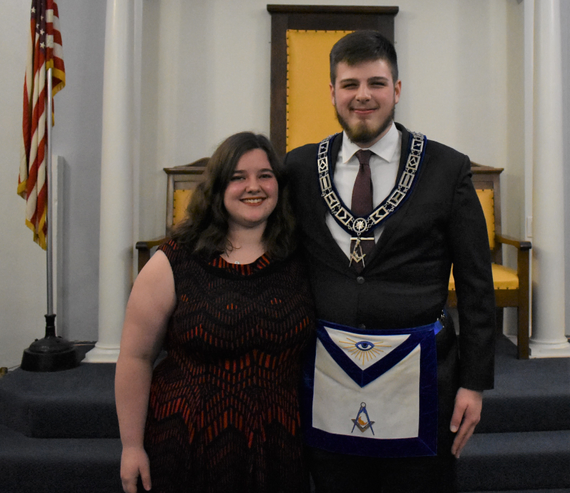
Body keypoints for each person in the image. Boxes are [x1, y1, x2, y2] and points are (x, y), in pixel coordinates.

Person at [285, 30, 496, 493]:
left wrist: (474, 383)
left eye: (376, 83)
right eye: (350, 84)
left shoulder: (446, 167)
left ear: (397, 90)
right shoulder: (298, 169)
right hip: (328, 377)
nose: (363, 96)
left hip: (424, 380)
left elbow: (478, 284)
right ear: (333, 92)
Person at [115, 132, 315, 493]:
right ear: (218, 187)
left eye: (264, 175)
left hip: (279, 443)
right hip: (189, 440)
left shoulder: (301, 258)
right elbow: (135, 357)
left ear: (279, 185)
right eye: (238, 177)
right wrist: (131, 446)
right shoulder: (174, 261)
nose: (253, 186)